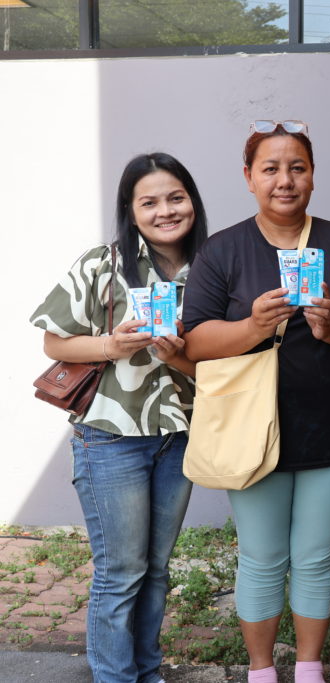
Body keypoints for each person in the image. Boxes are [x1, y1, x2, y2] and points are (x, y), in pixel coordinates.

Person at [182, 120, 330, 683]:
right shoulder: (224, 249)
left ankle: (308, 666)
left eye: (297, 168)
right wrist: (253, 326)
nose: (285, 180)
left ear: (312, 176)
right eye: (270, 169)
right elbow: (194, 342)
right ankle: (261, 669)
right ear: (248, 177)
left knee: (318, 556)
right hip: (250, 427)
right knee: (262, 556)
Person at [30, 152, 208, 683]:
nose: (165, 211)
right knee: (120, 571)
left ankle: (146, 673)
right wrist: (112, 344)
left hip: (180, 435)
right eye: (149, 202)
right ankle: (115, 677)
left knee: (155, 570)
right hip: (111, 437)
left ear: (193, 202)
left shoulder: (214, 266)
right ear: (130, 210)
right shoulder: (102, 264)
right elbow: (54, 341)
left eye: (176, 198)